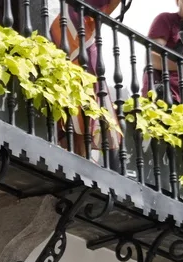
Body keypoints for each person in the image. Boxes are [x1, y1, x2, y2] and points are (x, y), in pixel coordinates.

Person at [49, 0, 126, 161]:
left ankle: (82, 158)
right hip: (61, 29)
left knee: (83, 99)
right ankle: (75, 156)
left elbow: (109, 7)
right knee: (72, 97)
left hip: (82, 37)